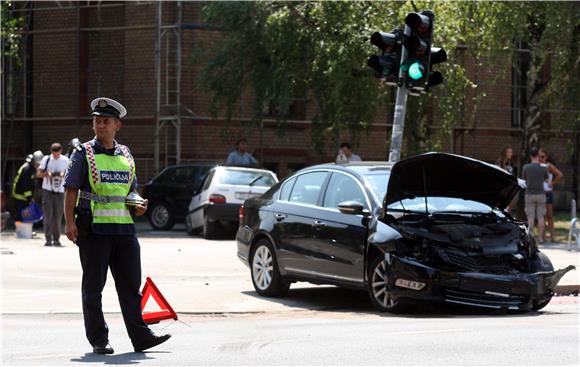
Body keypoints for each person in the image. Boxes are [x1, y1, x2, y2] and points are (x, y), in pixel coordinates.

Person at [63, 97, 170, 354]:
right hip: (95, 231)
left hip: (124, 231)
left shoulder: (126, 154)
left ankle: (141, 336)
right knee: (93, 289)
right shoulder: (83, 154)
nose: (100, 126)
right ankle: (99, 339)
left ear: (117, 125)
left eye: (106, 121)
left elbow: (131, 191)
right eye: (97, 121)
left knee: (130, 286)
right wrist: (68, 222)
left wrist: (139, 205)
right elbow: (71, 190)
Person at [37, 143, 69, 247]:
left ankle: (56, 239)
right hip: (47, 190)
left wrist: (63, 174)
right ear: (51, 152)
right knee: (48, 216)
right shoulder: (46, 159)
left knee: (58, 216)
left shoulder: (65, 160)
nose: (55, 156)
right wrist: (47, 174)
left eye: (57, 154)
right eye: (54, 154)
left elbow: (70, 174)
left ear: (61, 151)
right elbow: (38, 174)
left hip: (60, 191)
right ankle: (48, 239)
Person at [522, 147, 549, 243]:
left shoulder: (526, 167)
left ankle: (531, 238)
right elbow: (547, 181)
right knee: (541, 217)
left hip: (529, 193)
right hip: (541, 194)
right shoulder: (543, 167)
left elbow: (523, 180)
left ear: (530, 156)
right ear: (538, 155)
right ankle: (541, 238)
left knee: (530, 217)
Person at [539, 148, 563, 242]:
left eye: (543, 156)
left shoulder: (548, 166)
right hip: (540, 193)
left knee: (549, 215)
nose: (541, 158)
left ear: (546, 157)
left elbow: (560, 175)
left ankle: (552, 237)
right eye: (539, 156)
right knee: (542, 215)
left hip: (548, 192)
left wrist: (552, 184)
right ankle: (543, 237)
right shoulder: (536, 166)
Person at [11, 150, 44, 221]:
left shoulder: (32, 168)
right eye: (36, 164)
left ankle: (26, 230)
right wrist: (29, 198)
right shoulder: (27, 169)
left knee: (27, 214)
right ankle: (22, 230)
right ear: (33, 161)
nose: (37, 166)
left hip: (24, 196)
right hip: (20, 195)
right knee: (22, 215)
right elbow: (25, 186)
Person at [496, 147, 518, 212]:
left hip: (509, 191)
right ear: (504, 153)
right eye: (509, 152)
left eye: (511, 152)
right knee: (500, 210)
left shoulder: (509, 165)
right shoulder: (499, 164)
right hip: (502, 191)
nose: (511, 154)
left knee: (508, 211)